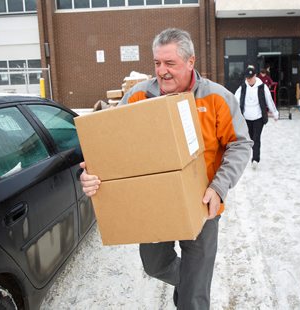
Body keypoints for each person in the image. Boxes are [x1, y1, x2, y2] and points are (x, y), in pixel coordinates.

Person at [79, 28, 252, 309]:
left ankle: (193, 291)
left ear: (191, 62)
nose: (162, 71)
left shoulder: (217, 98)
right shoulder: (138, 97)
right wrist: (90, 174)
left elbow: (240, 145)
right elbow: (112, 146)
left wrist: (219, 188)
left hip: (203, 205)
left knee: (193, 299)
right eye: (157, 63)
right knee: (154, 266)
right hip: (154, 203)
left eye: (170, 63)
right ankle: (191, 282)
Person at [234, 66, 278, 170]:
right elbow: (235, 99)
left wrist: (275, 113)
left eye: (251, 77)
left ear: (255, 76)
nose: (249, 80)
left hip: (258, 117)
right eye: (247, 78)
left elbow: (269, 100)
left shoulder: (262, 87)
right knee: (249, 139)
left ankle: (255, 159)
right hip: (246, 118)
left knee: (256, 138)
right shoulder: (243, 87)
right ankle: (248, 156)